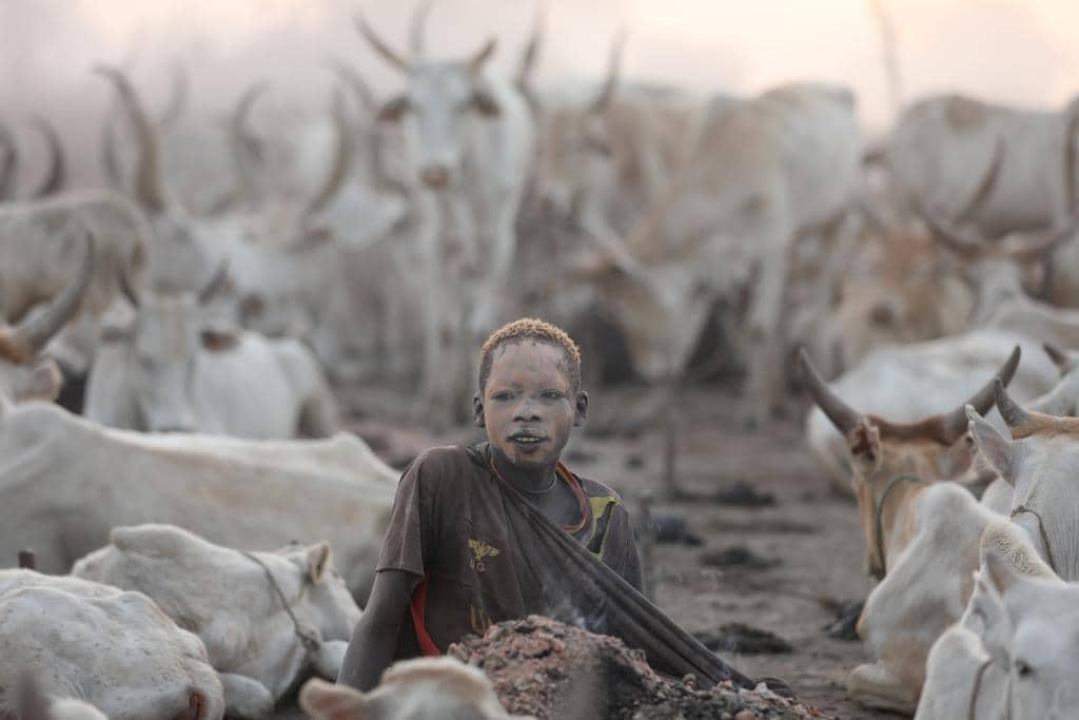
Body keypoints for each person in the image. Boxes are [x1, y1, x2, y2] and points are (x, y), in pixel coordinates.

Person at [338, 318, 642, 691]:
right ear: (480, 411)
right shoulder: (442, 478)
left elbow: (629, 652)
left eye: (549, 395)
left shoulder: (606, 514)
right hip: (448, 702)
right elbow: (380, 621)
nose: (526, 411)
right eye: (504, 396)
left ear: (578, 410)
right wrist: (344, 710)